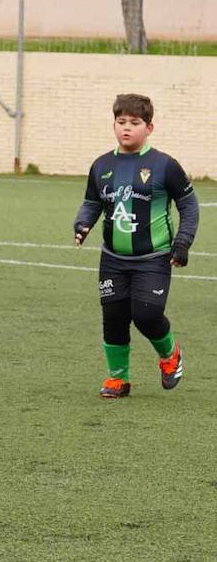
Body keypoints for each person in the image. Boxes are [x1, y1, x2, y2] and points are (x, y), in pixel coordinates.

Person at [73, 93, 197, 398]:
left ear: (149, 128)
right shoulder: (102, 165)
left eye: (134, 122)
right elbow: (91, 203)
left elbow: (189, 205)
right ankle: (118, 379)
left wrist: (182, 242)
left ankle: (170, 356)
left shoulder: (165, 165)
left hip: (154, 258)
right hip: (113, 258)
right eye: (120, 121)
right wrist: (82, 224)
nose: (126, 128)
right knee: (113, 317)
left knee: (146, 315)